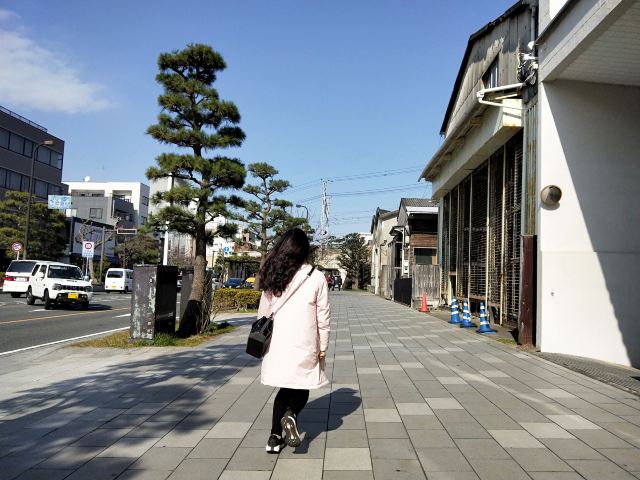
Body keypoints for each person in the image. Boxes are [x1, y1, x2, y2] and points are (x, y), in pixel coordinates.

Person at [257, 228, 331, 454]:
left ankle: (274, 439)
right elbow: (323, 317)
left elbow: (263, 313)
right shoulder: (316, 277)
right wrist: (323, 346)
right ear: (304, 250)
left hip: (278, 342)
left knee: (284, 389)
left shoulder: (273, 273)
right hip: (305, 341)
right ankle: (291, 415)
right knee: (302, 385)